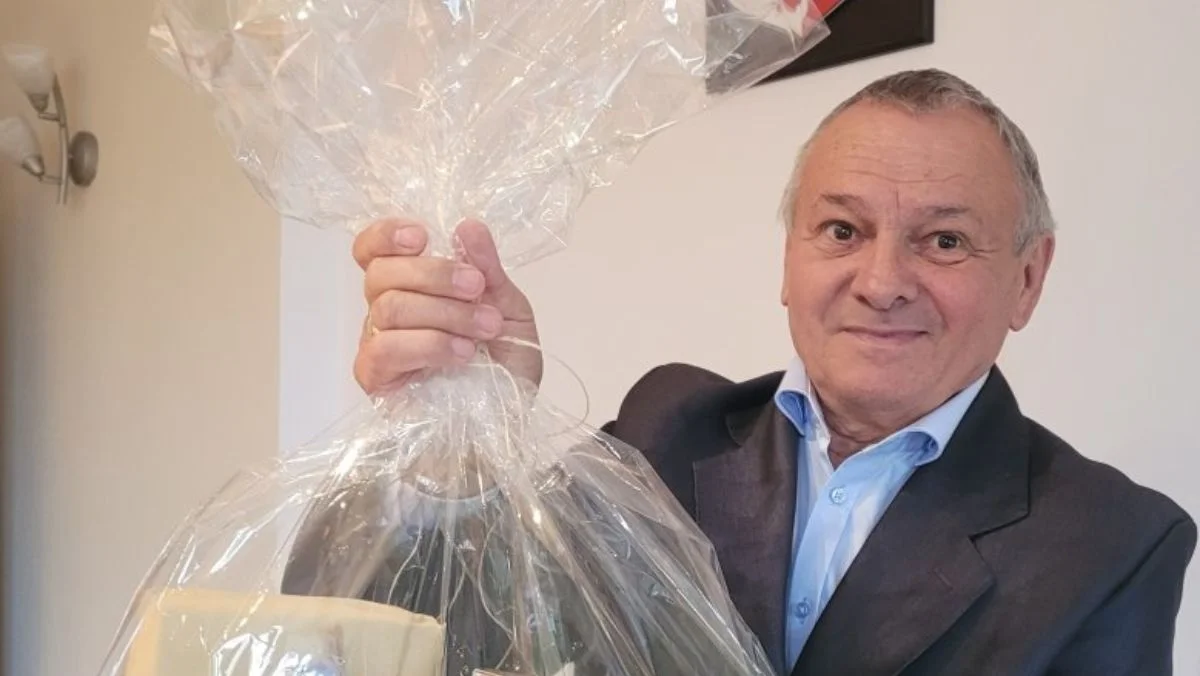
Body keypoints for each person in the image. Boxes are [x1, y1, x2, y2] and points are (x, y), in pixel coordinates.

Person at [340, 69, 1196, 674]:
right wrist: (455, 429)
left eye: (944, 240)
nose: (883, 282)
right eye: (842, 231)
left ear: (1028, 279)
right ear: (789, 259)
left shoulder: (1113, 543)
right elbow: (450, 633)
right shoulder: (665, 432)